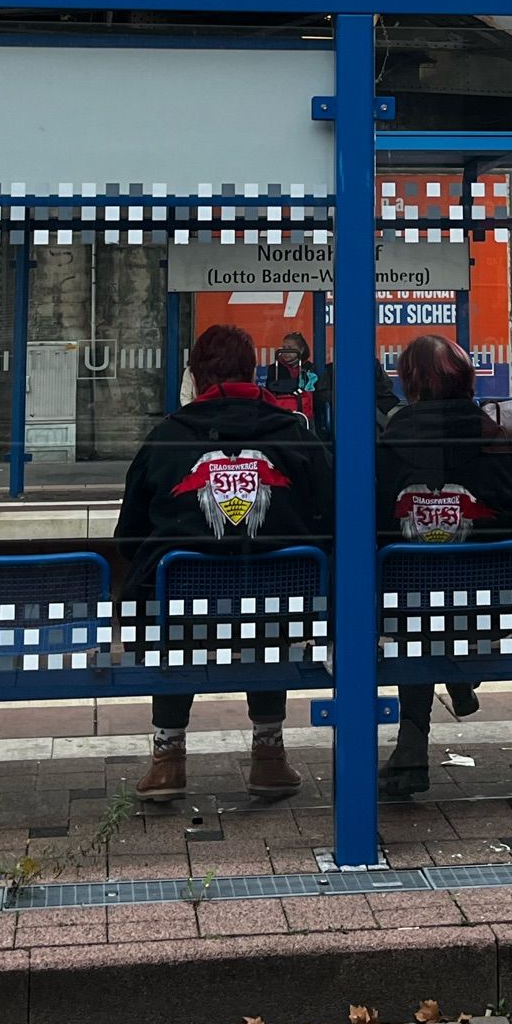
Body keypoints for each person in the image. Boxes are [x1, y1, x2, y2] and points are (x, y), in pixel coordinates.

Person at [116, 322, 331, 802]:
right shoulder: (294, 434)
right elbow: (330, 516)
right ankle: (269, 755)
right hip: (281, 609)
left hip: (185, 614)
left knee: (172, 607)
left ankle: (168, 758)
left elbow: (129, 535)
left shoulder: (166, 437)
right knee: (266, 609)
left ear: (195, 375)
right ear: (253, 370)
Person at [375, 332, 512, 798]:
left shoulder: (386, 445)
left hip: (412, 604)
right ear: (465, 382)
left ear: (410, 384)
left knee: (416, 617)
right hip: (496, 601)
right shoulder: (497, 440)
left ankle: (410, 748)